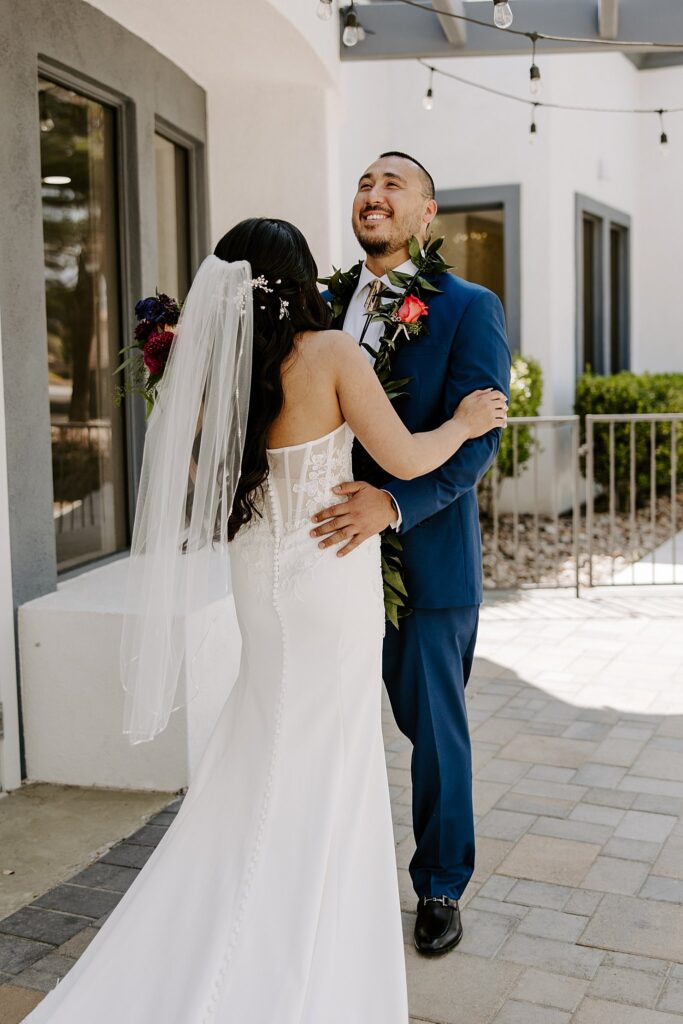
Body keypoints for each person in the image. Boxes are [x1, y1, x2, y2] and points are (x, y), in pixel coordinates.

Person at [22, 217, 506, 1024]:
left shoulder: (216, 366)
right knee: (323, 751)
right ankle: (289, 939)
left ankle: (268, 901)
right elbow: (404, 458)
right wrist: (464, 422)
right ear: (300, 277)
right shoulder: (328, 355)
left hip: (258, 573)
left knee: (268, 734)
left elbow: (202, 473)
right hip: (322, 573)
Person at [316, 152, 512, 956]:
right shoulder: (320, 306)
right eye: (364, 182)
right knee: (330, 720)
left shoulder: (468, 308)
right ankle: (332, 869)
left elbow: (477, 444)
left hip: (427, 563)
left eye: (392, 184)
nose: (373, 194)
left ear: (427, 214)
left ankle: (439, 885)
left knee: (433, 731)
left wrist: (392, 503)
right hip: (326, 559)